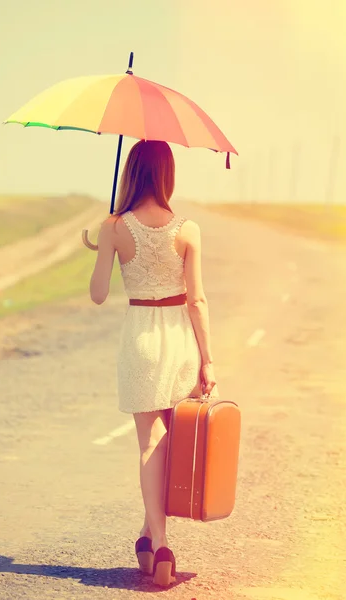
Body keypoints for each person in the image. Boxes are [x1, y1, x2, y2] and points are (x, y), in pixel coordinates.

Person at [89, 139, 218, 587]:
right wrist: (208, 361)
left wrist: (99, 245)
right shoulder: (188, 228)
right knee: (170, 440)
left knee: (150, 442)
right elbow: (198, 300)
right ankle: (151, 539)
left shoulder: (114, 226)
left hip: (141, 335)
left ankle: (157, 541)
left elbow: (98, 293)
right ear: (167, 174)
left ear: (131, 173)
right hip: (180, 336)